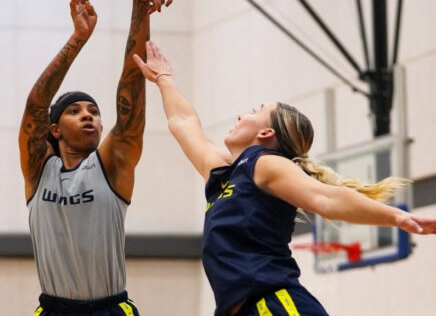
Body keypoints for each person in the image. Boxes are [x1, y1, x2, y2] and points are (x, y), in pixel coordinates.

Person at [132, 41, 436, 316]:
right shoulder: (224, 173)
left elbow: (326, 197)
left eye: (254, 111)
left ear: (266, 133)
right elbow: (184, 122)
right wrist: (164, 79)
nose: (240, 116)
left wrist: (396, 217)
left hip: (276, 304)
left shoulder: (264, 165)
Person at [18, 0, 173, 316]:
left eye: (93, 111)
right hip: (53, 309)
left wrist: (138, 8)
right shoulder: (38, 169)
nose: (87, 114)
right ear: (54, 130)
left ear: (103, 127)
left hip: (110, 308)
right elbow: (36, 105)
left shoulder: (112, 164)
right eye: (75, 111)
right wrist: (78, 38)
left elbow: (133, 80)